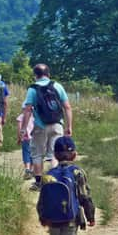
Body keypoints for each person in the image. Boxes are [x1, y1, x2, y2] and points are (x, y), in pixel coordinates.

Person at [21, 63, 73, 191]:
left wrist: (23, 128)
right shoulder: (57, 86)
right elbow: (67, 107)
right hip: (57, 124)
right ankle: (58, 179)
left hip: (40, 126)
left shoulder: (33, 89)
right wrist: (69, 126)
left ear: (35, 75)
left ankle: (39, 183)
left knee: (37, 153)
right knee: (55, 153)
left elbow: (28, 109)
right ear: (48, 74)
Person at [16, 104, 34, 178]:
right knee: (33, 154)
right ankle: (32, 169)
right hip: (35, 138)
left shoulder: (21, 117)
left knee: (26, 153)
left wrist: (19, 138)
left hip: (26, 138)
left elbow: (19, 128)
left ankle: (27, 169)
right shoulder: (35, 117)